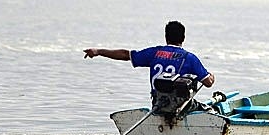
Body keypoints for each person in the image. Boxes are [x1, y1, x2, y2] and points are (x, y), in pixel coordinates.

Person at [83, 20, 215, 102]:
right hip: (181, 106)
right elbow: (208, 83)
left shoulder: (154, 53)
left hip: (157, 103)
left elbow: (125, 55)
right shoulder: (189, 58)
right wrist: (211, 77)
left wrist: (98, 51)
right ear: (183, 38)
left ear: (166, 37)